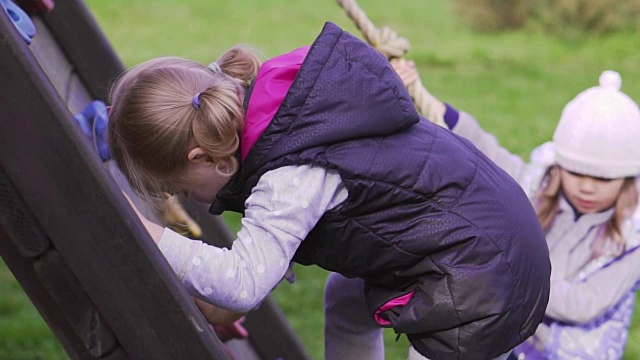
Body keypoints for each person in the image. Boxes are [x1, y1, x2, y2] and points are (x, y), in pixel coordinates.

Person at [107, 21, 551, 360]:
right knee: (345, 295)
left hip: (482, 278)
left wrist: (142, 229)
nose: (193, 202)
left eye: (181, 190)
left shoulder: (290, 172)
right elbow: (274, 248)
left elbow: (242, 283)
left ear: (206, 158)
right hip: (493, 236)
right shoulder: (287, 120)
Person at [392, 60, 640, 359]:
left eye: (602, 178)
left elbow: (585, 303)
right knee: (440, 345)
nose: (587, 187)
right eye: (576, 173)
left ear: (627, 179)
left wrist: (508, 275)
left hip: (567, 353)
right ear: (559, 166)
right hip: (512, 339)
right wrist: (420, 92)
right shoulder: (538, 185)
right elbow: (486, 150)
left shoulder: (632, 235)